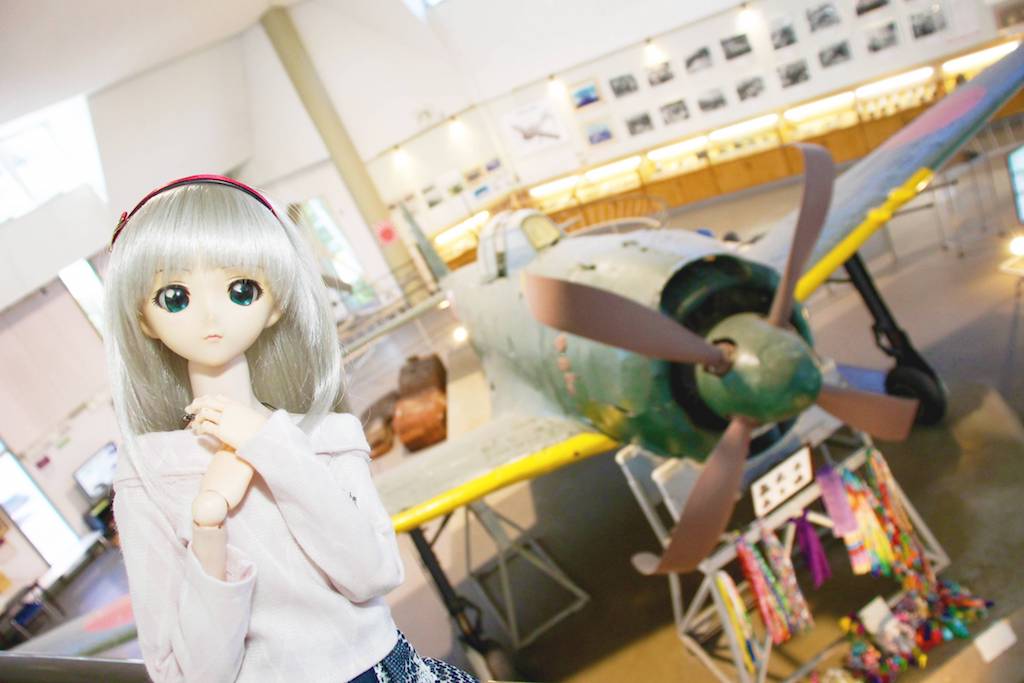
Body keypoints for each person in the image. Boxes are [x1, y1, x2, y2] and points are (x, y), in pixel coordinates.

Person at [104, 175, 478, 683]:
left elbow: (373, 574)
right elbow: (188, 675)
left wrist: (271, 448)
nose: (210, 315)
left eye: (241, 290)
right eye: (175, 296)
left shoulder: (327, 435)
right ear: (144, 319)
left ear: (275, 303)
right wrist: (208, 526)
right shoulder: (149, 472)